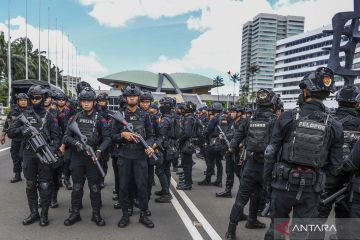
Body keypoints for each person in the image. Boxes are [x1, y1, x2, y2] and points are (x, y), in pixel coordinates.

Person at [263, 67, 344, 240]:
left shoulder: (287, 117)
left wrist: (268, 182)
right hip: (311, 189)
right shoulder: (335, 125)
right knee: (299, 234)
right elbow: (336, 166)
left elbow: (270, 153)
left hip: (282, 185)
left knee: (279, 229)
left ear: (306, 91)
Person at [225, 89, 278, 240]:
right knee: (276, 203)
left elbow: (235, 140)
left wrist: (231, 150)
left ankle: (231, 232)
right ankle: (271, 233)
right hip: (269, 167)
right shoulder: (276, 120)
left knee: (241, 199)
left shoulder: (249, 120)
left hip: (250, 163)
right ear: (273, 103)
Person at [8, 85, 61, 226]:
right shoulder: (23, 116)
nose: (35, 100)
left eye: (37, 97)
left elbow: (57, 138)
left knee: (44, 185)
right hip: (28, 154)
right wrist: (22, 130)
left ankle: (44, 214)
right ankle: (33, 213)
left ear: (42, 98)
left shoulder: (50, 116)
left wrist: (50, 149)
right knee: (30, 184)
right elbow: (11, 132)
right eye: (32, 98)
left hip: (44, 154)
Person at [63, 87, 111, 227]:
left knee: (95, 188)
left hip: (93, 158)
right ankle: (75, 214)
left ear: (94, 102)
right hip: (77, 157)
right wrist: (77, 143)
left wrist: (99, 151)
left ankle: (96, 214)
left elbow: (107, 139)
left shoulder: (101, 119)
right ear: (80, 102)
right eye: (84, 101)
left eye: (89, 101)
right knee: (77, 187)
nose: (86, 104)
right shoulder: (74, 118)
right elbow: (66, 137)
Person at [112, 84, 155, 228]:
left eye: (134, 96)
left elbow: (151, 135)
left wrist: (149, 146)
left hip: (140, 156)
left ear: (138, 98)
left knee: (142, 186)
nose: (132, 98)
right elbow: (112, 136)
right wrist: (122, 134)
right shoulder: (119, 115)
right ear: (125, 98)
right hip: (124, 155)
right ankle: (125, 214)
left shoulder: (145, 115)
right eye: (129, 96)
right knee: (124, 186)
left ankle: (143, 214)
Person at [216, 105, 245, 198]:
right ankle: (228, 191)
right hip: (229, 150)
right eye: (231, 112)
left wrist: (241, 144)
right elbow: (229, 134)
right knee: (229, 172)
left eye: (233, 112)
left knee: (240, 173)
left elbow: (247, 136)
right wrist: (222, 137)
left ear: (239, 113)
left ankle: (242, 193)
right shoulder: (232, 122)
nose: (231, 113)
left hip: (238, 152)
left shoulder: (244, 123)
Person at [1, 93, 29, 183]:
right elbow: (7, 124)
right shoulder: (13, 112)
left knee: (24, 157)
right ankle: (17, 175)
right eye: (21, 100)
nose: (23, 102)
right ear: (17, 101)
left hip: (27, 139)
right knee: (15, 157)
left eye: (25, 100)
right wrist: (3, 135)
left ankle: (30, 176)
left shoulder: (31, 111)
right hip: (15, 138)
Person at [176, 101, 197, 190]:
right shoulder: (191, 117)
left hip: (186, 144)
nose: (181, 110)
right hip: (189, 144)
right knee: (187, 164)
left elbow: (187, 133)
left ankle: (188, 184)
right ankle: (188, 181)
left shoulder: (188, 119)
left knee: (186, 165)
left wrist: (179, 140)